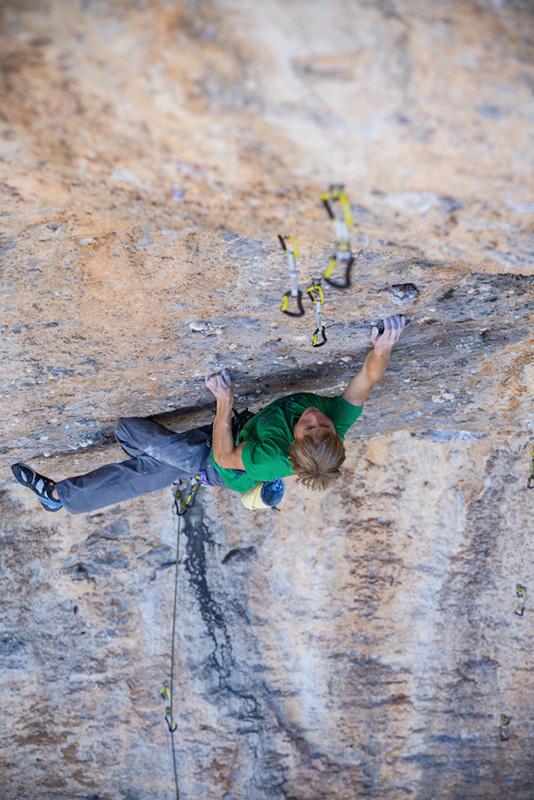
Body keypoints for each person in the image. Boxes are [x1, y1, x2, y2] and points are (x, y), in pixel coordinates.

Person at [11, 315, 405, 514]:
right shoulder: (335, 422)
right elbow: (365, 381)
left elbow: (221, 455)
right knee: (141, 448)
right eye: (322, 424)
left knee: (136, 440)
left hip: (220, 462)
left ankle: (59, 497)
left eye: (309, 426)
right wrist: (383, 348)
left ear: (294, 442)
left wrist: (224, 401)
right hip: (236, 436)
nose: (315, 416)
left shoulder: (266, 456)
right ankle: (164, 467)